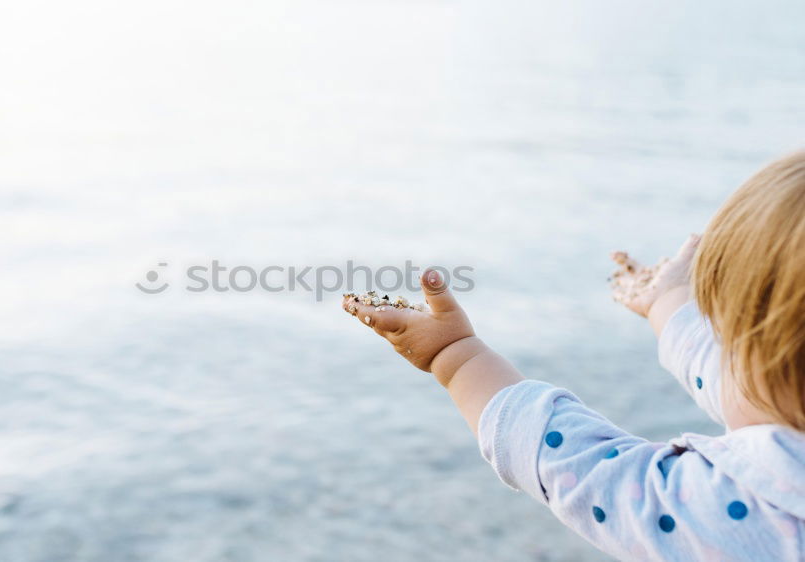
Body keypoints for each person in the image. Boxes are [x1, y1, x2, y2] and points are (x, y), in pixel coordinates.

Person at [342, 151, 805, 560]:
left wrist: (456, 356)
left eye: (732, 337)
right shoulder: (787, 409)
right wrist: (670, 303)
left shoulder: (761, 510)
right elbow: (739, 383)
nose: (720, 356)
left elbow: (585, 469)